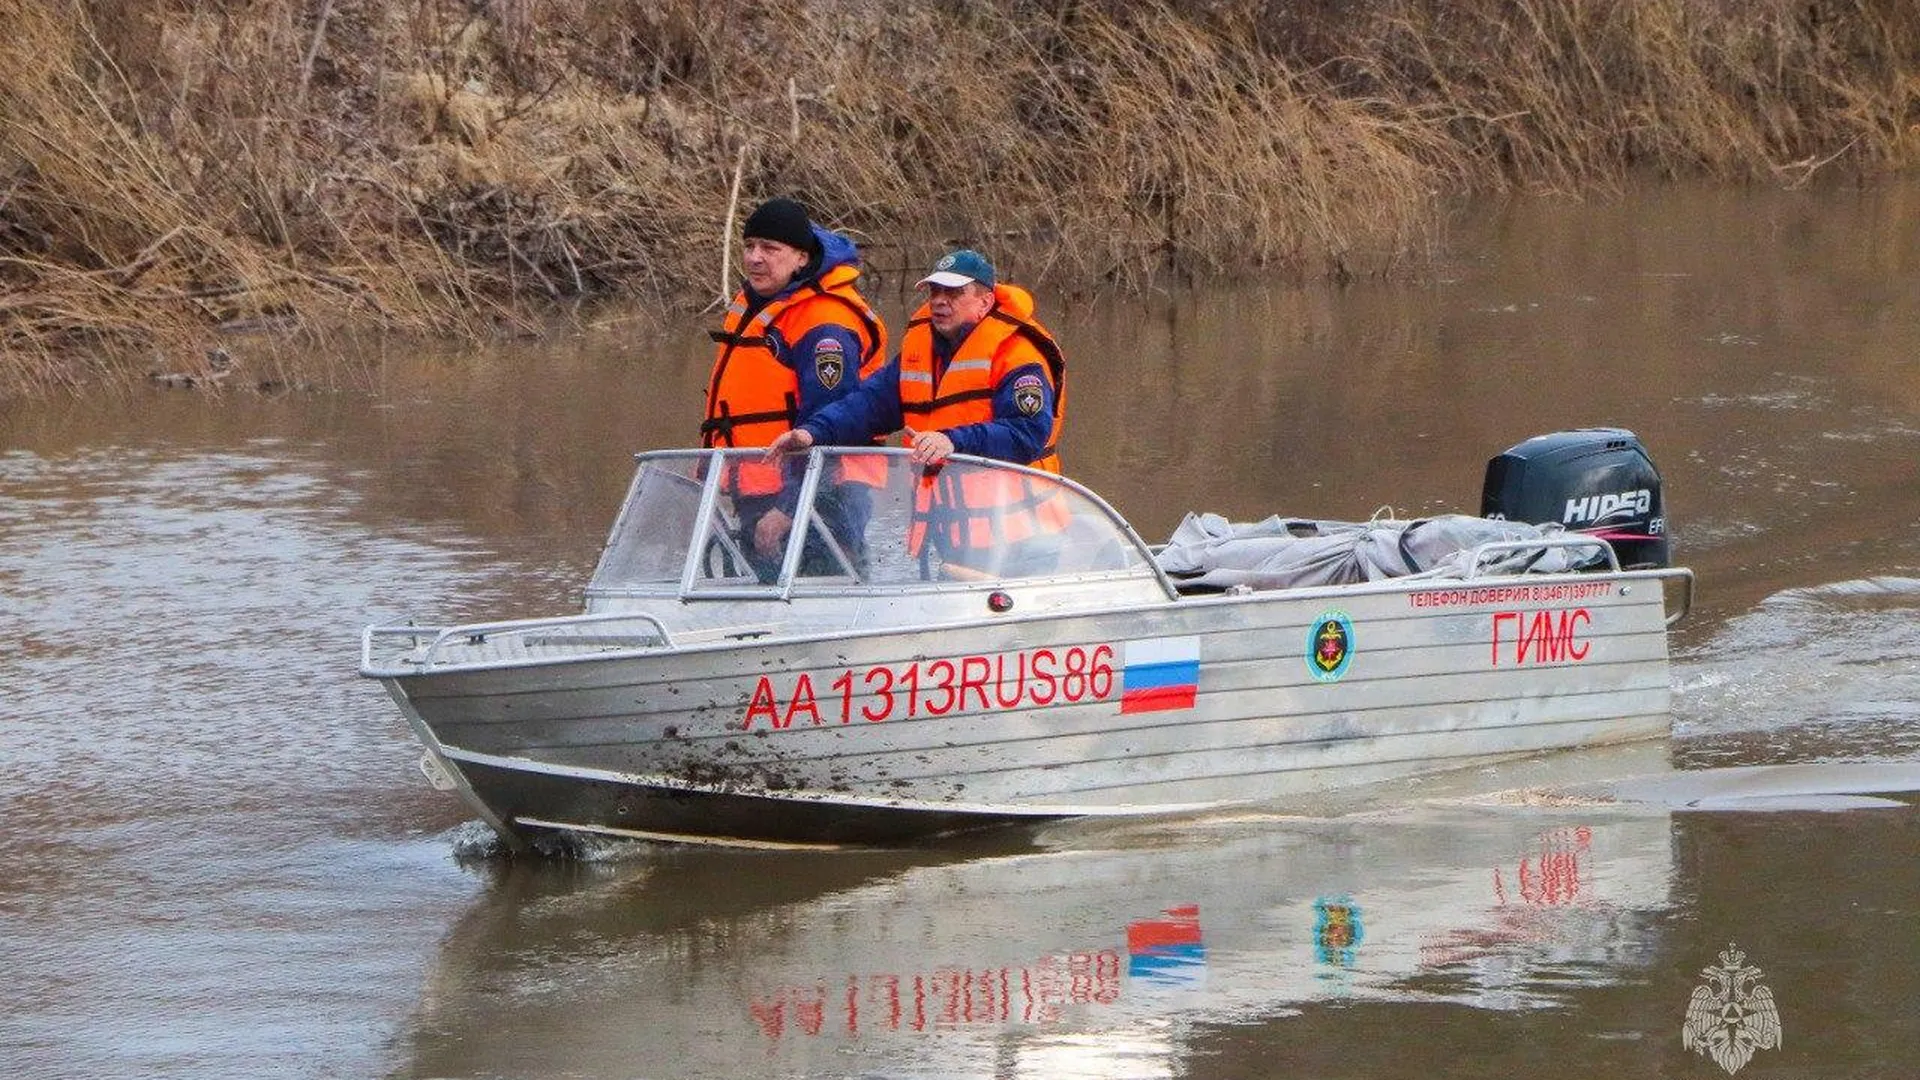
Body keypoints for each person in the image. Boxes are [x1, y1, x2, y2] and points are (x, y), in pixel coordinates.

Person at [765, 248, 1068, 573]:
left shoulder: (1019, 355)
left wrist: (952, 441)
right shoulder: (919, 351)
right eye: (935, 291)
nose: (939, 300)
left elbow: (1027, 434)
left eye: (953, 292)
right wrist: (811, 432)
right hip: (956, 535)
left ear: (984, 301)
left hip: (1024, 537)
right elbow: (867, 405)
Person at [701, 197, 888, 579]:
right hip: (761, 491)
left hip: (822, 499)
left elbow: (828, 430)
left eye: (770, 248)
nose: (755, 257)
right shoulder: (756, 307)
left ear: (801, 258)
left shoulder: (825, 325)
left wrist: (788, 509)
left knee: (827, 604)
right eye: (750, 246)